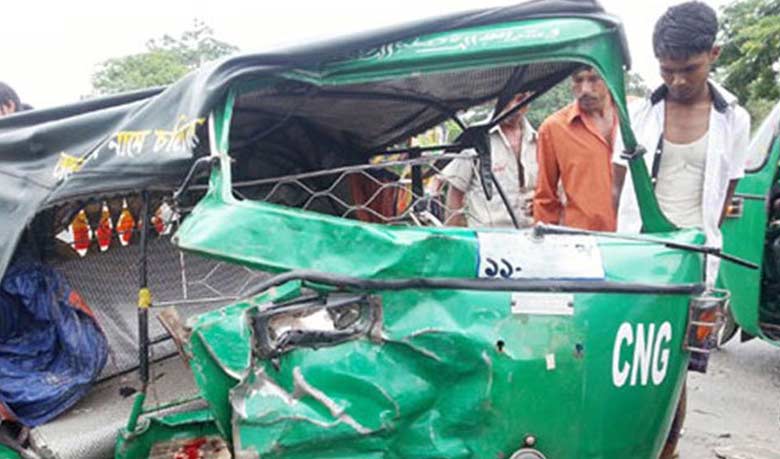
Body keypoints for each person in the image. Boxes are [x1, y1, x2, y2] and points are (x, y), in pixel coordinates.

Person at [612, 1, 750, 284]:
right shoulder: (635, 116)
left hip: (695, 254)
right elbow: (617, 186)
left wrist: (702, 239)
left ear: (714, 53)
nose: (678, 81)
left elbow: (726, 191)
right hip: (640, 253)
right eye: (667, 70)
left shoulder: (735, 120)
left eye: (689, 69)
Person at [533, 66, 617, 231]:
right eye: (578, 80)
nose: (585, 89)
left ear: (610, 77)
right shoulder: (554, 128)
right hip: (585, 241)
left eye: (594, 79)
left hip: (638, 238)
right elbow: (545, 198)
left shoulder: (635, 114)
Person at [442, 92, 538, 228]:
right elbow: (456, 193)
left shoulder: (538, 141)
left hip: (530, 238)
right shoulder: (475, 138)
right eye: (507, 99)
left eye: (520, 99)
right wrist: (450, 242)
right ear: (495, 100)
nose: (512, 106)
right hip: (488, 239)